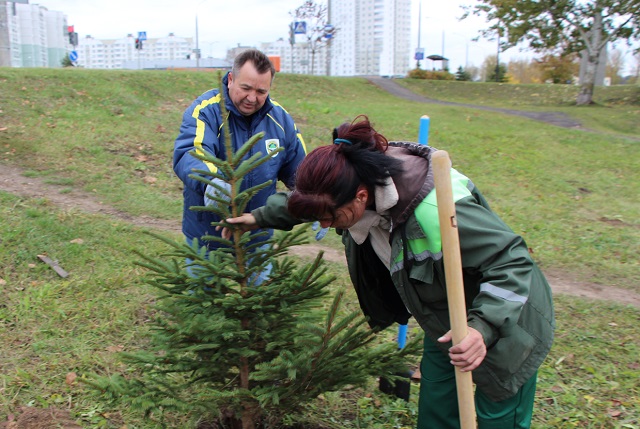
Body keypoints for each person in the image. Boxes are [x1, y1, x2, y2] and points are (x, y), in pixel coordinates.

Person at [221, 115, 555, 428]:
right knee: (437, 416)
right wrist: (258, 217)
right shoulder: (351, 179)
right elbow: (312, 202)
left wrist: (482, 328)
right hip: (445, 320)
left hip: (509, 320)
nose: (323, 225)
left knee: (498, 416)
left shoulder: (434, 208)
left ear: (361, 197)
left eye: (330, 218)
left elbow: (511, 259)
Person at [173, 49, 306, 272]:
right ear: (231, 79)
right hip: (207, 236)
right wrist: (212, 183)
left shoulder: (280, 120)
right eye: (246, 88)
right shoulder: (206, 111)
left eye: (261, 91)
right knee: (205, 299)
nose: (252, 98)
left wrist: (315, 198)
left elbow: (301, 169)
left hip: (257, 237)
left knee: (259, 301)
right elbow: (190, 151)